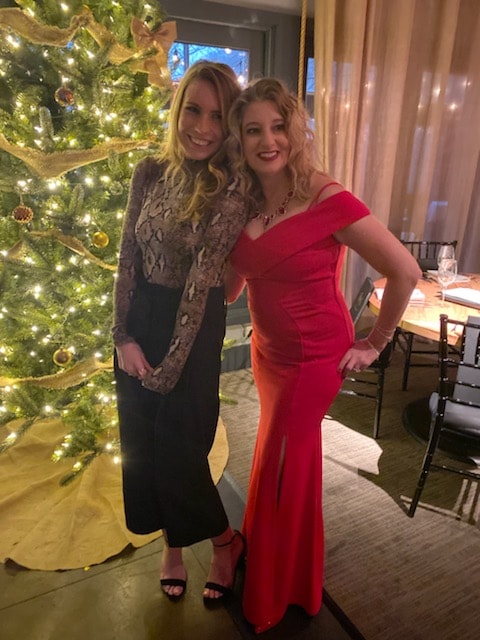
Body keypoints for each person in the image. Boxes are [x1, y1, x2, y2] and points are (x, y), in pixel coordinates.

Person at [225, 77, 421, 633]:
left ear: (295, 130)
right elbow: (234, 285)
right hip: (268, 352)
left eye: (278, 127)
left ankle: (276, 591)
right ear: (239, 139)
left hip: (313, 359)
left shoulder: (326, 197)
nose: (268, 141)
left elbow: (405, 271)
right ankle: (289, 572)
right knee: (286, 462)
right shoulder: (246, 199)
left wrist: (375, 342)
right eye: (254, 130)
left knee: (281, 464)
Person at [112, 61, 249, 602]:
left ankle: (224, 542)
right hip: (142, 314)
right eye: (194, 109)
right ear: (178, 109)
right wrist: (122, 336)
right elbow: (128, 255)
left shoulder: (231, 188)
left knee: (181, 449)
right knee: (143, 444)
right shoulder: (148, 171)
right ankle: (172, 549)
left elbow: (198, 286)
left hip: (195, 321)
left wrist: (167, 371)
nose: (203, 127)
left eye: (218, 116)